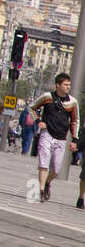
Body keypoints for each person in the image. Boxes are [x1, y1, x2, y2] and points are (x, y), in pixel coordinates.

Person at [29, 73, 79, 203]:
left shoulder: (72, 102)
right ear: (58, 85)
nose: (68, 87)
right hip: (47, 134)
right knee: (43, 162)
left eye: (69, 84)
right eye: (65, 84)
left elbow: (75, 120)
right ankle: (40, 190)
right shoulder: (47, 97)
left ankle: (47, 183)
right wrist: (38, 121)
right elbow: (32, 108)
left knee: (56, 168)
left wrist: (74, 139)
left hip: (61, 137)